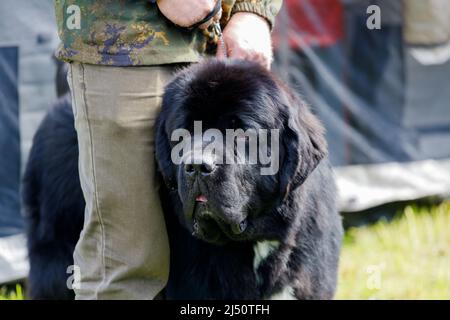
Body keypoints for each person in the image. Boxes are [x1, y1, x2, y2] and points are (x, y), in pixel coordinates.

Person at [53, 0, 281, 299]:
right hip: (125, 47)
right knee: (128, 264)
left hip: (225, 39)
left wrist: (253, 12)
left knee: (213, 260)